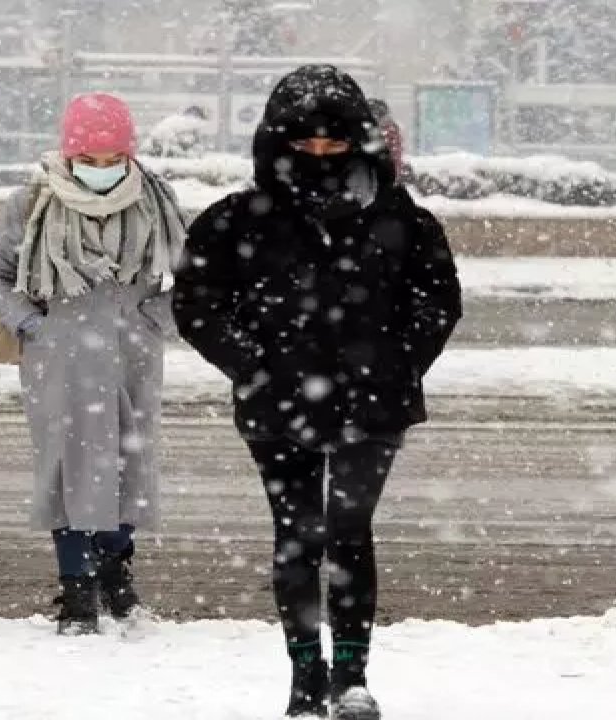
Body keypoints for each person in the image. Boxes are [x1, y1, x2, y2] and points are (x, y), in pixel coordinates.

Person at [173, 65, 462, 718]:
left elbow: (438, 299)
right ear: (278, 143)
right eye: (306, 145)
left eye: (336, 144)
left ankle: (352, 676)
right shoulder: (235, 221)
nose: (322, 156)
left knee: (350, 530)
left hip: (374, 405)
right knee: (299, 535)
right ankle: (307, 674)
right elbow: (196, 302)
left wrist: (397, 362)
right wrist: (252, 364)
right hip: (277, 406)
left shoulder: (403, 221)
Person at [0, 92, 186, 635]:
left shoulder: (155, 199)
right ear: (69, 156)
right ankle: (77, 588)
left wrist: (154, 319)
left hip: (132, 357)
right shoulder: (34, 202)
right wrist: (32, 325)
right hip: (59, 359)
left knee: (126, 469)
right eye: (87, 162)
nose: (100, 171)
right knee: (68, 472)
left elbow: (200, 281)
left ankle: (115, 567)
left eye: (111, 160)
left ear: (128, 154)